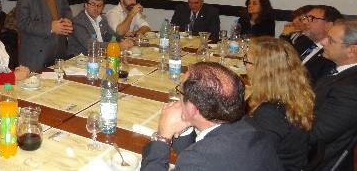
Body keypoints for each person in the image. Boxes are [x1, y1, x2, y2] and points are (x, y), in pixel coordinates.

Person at [141, 62, 282, 170]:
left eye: (181, 92)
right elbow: (204, 147)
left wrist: (163, 137)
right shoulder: (249, 125)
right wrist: (188, 123)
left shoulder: (199, 160)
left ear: (194, 109)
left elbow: (201, 158)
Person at [244, 37, 315, 170]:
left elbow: (252, 159)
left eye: (247, 61)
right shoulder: (293, 95)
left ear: (263, 71)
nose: (246, 66)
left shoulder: (270, 113)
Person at [308, 19, 357, 171]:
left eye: (330, 40)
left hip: (312, 159)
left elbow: (314, 134)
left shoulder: (351, 89)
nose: (323, 42)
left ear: (351, 50)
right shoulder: (339, 71)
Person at [16, 0, 73, 72]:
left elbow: (66, 9)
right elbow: (22, 24)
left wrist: (68, 20)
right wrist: (50, 27)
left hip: (58, 52)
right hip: (36, 57)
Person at [67, 0, 133, 56]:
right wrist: (117, 45)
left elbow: (112, 35)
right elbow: (90, 46)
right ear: (86, 5)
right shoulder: (78, 22)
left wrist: (125, 40)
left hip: (101, 55)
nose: (96, 8)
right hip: (81, 59)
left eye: (99, 5)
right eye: (93, 4)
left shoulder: (102, 19)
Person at [299, 5, 343, 84]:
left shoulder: (331, 55)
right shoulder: (303, 40)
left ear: (328, 26)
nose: (304, 22)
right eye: (306, 18)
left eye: (312, 18)